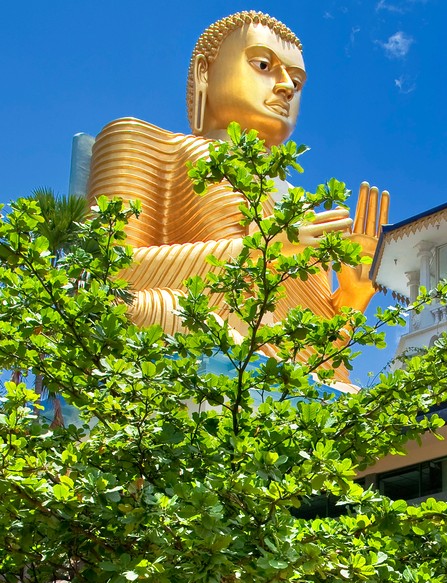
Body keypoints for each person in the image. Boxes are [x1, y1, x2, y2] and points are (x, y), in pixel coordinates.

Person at [86, 11, 388, 382]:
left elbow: (318, 365)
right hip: (192, 359)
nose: (286, 87)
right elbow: (101, 280)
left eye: (296, 81)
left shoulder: (302, 210)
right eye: (263, 64)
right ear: (204, 72)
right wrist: (259, 250)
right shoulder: (142, 142)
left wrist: (352, 301)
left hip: (281, 394)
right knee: (170, 314)